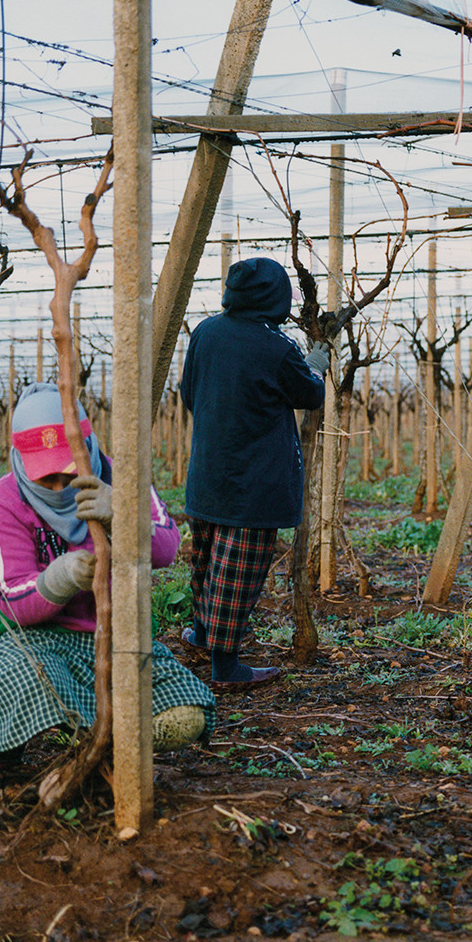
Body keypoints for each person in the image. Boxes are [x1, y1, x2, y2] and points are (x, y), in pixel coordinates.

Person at [0, 383, 215, 778]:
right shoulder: (2, 501)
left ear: (88, 448)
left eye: (68, 474)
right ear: (20, 460)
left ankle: (104, 740)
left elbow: (165, 550)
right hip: (29, 639)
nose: (59, 489)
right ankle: (3, 758)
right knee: (25, 674)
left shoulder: (121, 479)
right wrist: (60, 578)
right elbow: (11, 599)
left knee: (186, 713)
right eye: (46, 478)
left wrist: (122, 514)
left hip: (114, 640)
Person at [177, 256, 329, 689]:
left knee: (206, 563)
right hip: (256, 483)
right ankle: (226, 668)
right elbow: (309, 393)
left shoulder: (205, 333)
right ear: (274, 298)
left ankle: (203, 634)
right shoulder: (275, 346)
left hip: (207, 474)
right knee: (236, 573)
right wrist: (316, 364)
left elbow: (189, 392)